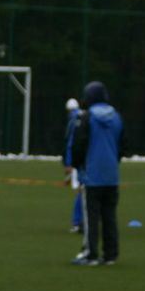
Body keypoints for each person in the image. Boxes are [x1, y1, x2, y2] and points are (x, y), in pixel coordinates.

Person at [70, 81, 126, 266]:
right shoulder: (117, 117)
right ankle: (111, 254)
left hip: (92, 175)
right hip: (112, 175)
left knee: (91, 217)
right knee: (109, 215)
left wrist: (78, 166)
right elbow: (122, 146)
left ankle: (90, 253)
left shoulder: (87, 117)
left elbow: (80, 145)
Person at [63, 98, 83, 235]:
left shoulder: (73, 120)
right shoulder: (86, 116)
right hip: (89, 160)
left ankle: (77, 222)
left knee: (81, 192)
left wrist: (68, 162)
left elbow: (70, 142)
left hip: (78, 159)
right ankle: (84, 222)